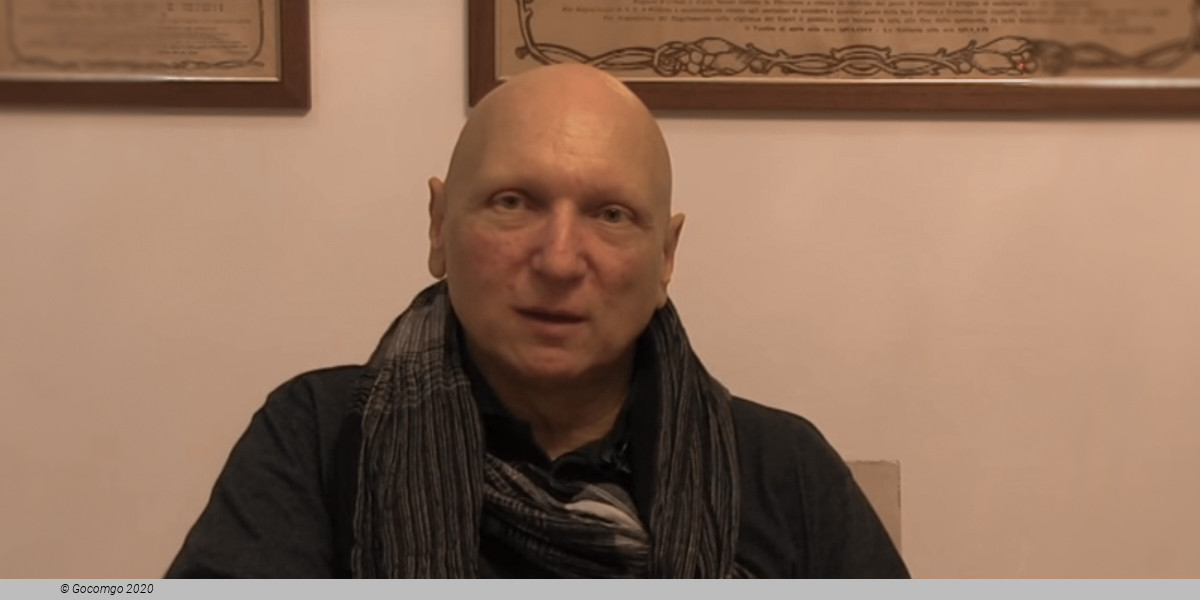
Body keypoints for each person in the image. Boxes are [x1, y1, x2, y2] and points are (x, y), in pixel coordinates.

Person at [166, 64, 909, 578]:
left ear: (666, 257)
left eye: (610, 215)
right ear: (438, 227)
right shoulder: (318, 436)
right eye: (513, 202)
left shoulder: (785, 470)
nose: (558, 259)